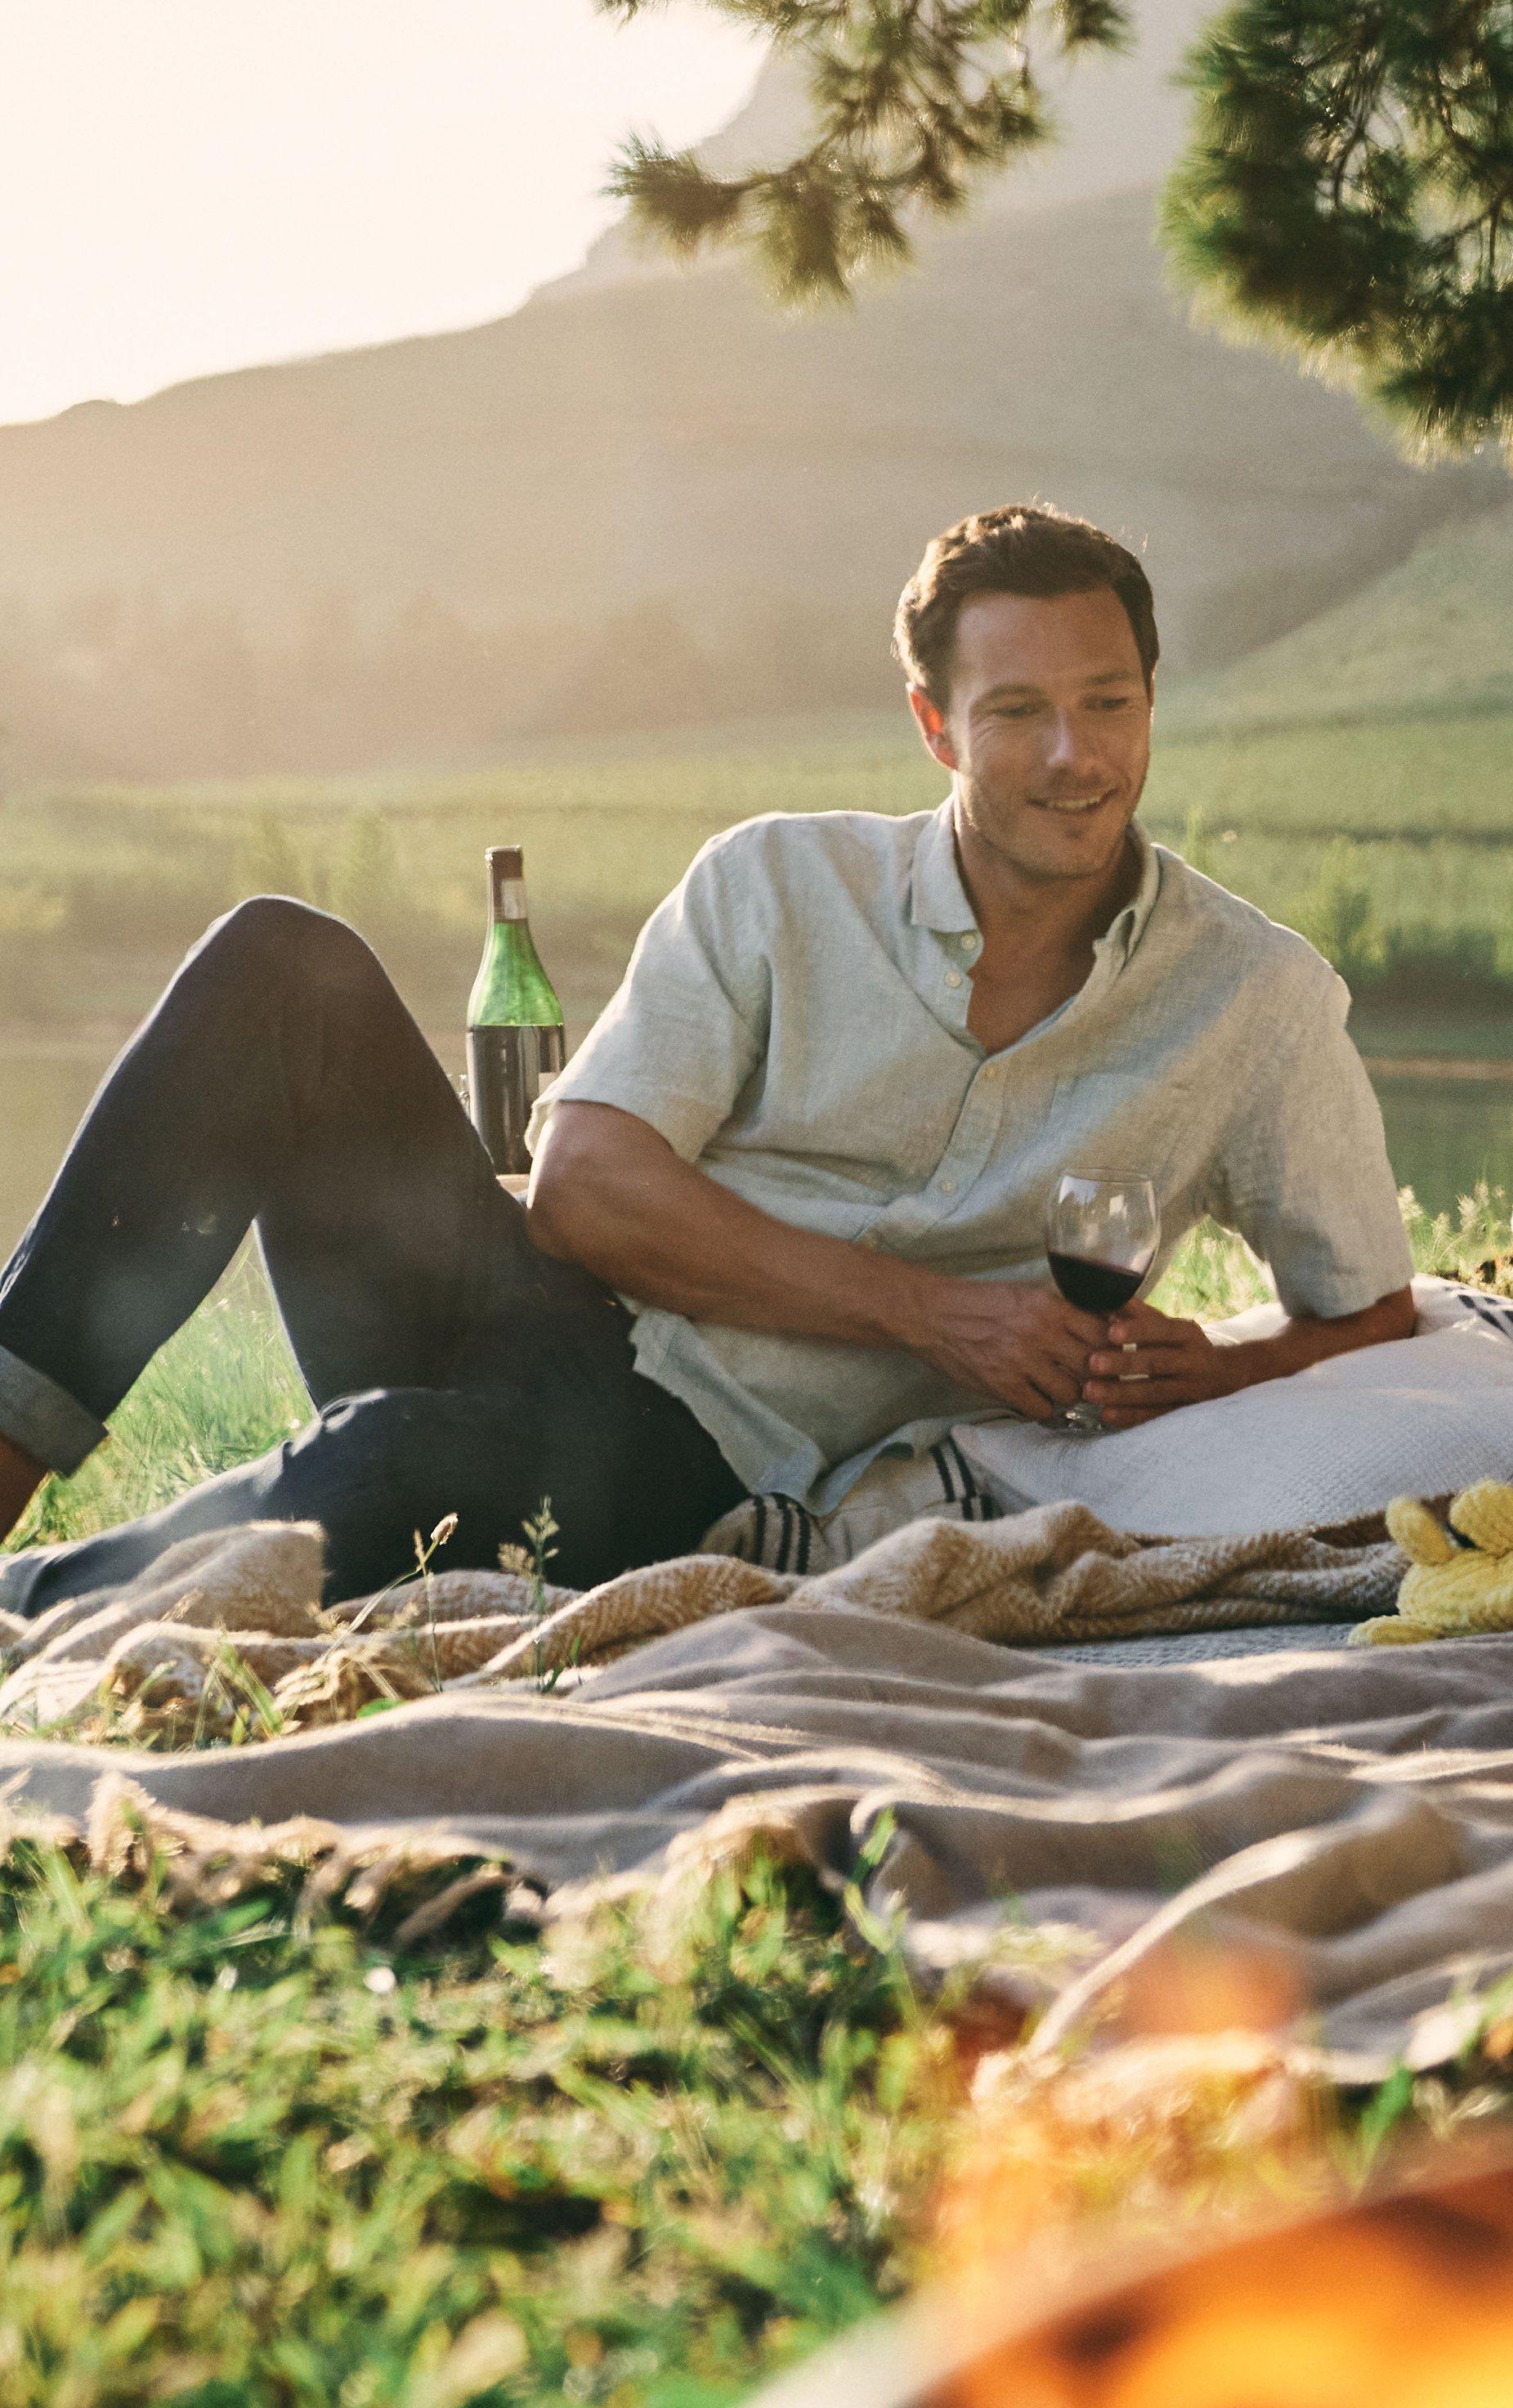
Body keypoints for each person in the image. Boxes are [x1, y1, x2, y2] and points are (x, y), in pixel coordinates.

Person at [0, 504, 1416, 1618]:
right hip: (537, 1304)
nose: (1073, 754)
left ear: (1151, 702)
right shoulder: (776, 886)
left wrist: (1214, 1372)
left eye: (1108, 703)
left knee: (383, 1473)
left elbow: (1365, 1311)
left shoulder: (1257, 1001)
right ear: (935, 727)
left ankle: (29, 1613)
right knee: (280, 966)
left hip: (690, 1456)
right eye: (1015, 713)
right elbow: (582, 1190)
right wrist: (933, 1315)